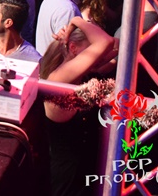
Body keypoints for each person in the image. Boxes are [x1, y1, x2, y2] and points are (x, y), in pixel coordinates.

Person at [40, 16, 115, 196]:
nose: (99, 55)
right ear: (73, 48)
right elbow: (106, 42)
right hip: (69, 177)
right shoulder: (58, 79)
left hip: (85, 170)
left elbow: (118, 45)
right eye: (91, 48)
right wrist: (76, 20)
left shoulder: (82, 76)